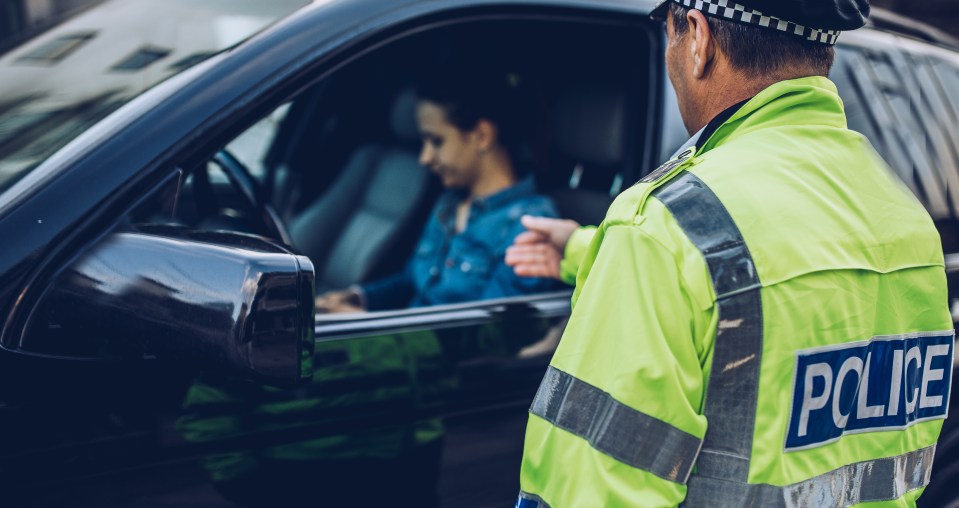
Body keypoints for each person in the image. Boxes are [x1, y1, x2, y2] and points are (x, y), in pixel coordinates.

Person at [509, 0, 953, 506]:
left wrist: (630, 242)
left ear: (697, 39)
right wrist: (584, 246)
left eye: (669, 32)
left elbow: (592, 489)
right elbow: (764, 275)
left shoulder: (664, 227)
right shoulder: (909, 223)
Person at [315, 65, 560, 313]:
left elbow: (490, 339)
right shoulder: (448, 204)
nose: (425, 157)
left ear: (482, 136)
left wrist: (362, 327)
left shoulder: (530, 226)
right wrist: (356, 299)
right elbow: (412, 282)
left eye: (436, 141)